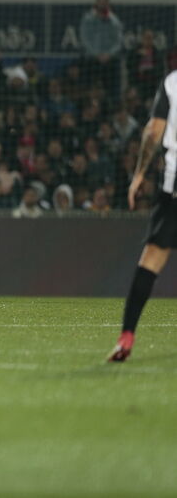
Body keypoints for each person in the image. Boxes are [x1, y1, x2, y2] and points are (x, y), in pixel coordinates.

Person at [109, 69, 177, 361]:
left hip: (174, 187)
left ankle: (126, 338)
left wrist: (139, 175)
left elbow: (153, 131)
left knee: (151, 260)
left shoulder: (173, 82)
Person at [79, 0, 123, 100]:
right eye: (101, 1)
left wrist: (108, 55)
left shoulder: (114, 21)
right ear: (96, 2)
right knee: (89, 84)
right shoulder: (88, 19)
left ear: (108, 3)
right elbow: (85, 39)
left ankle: (112, 103)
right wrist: (97, 54)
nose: (103, 4)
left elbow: (118, 42)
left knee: (111, 89)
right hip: (92, 60)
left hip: (109, 61)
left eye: (105, 1)